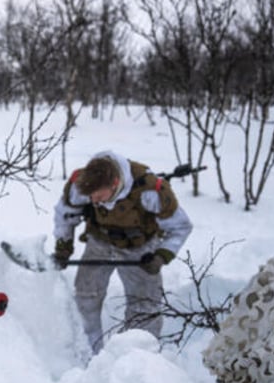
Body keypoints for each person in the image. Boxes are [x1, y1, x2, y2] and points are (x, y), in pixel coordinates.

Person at [53, 151, 193, 354]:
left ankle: (139, 356)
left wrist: (161, 256)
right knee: (86, 294)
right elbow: (65, 215)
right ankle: (88, 349)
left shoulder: (151, 191)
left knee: (144, 304)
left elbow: (180, 226)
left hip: (140, 247)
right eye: (91, 197)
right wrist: (63, 248)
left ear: (115, 183)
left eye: (99, 197)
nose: (93, 202)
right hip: (99, 241)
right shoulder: (81, 184)